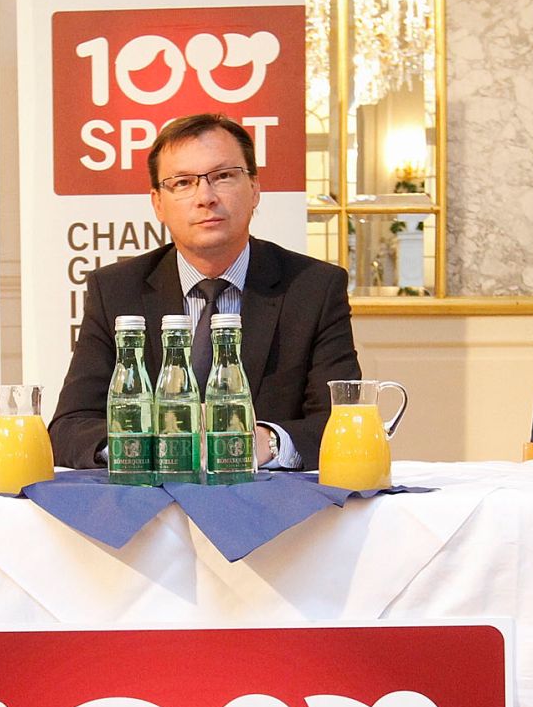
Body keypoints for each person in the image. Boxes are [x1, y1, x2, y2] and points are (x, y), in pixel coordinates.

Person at [48, 113, 361, 470]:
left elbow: (344, 424)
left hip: (272, 510)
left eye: (224, 176)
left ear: (256, 189)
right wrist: (148, 447)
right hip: (146, 507)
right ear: (158, 204)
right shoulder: (117, 290)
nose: (205, 197)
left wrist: (267, 442)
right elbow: (69, 427)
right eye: (182, 182)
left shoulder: (314, 288)